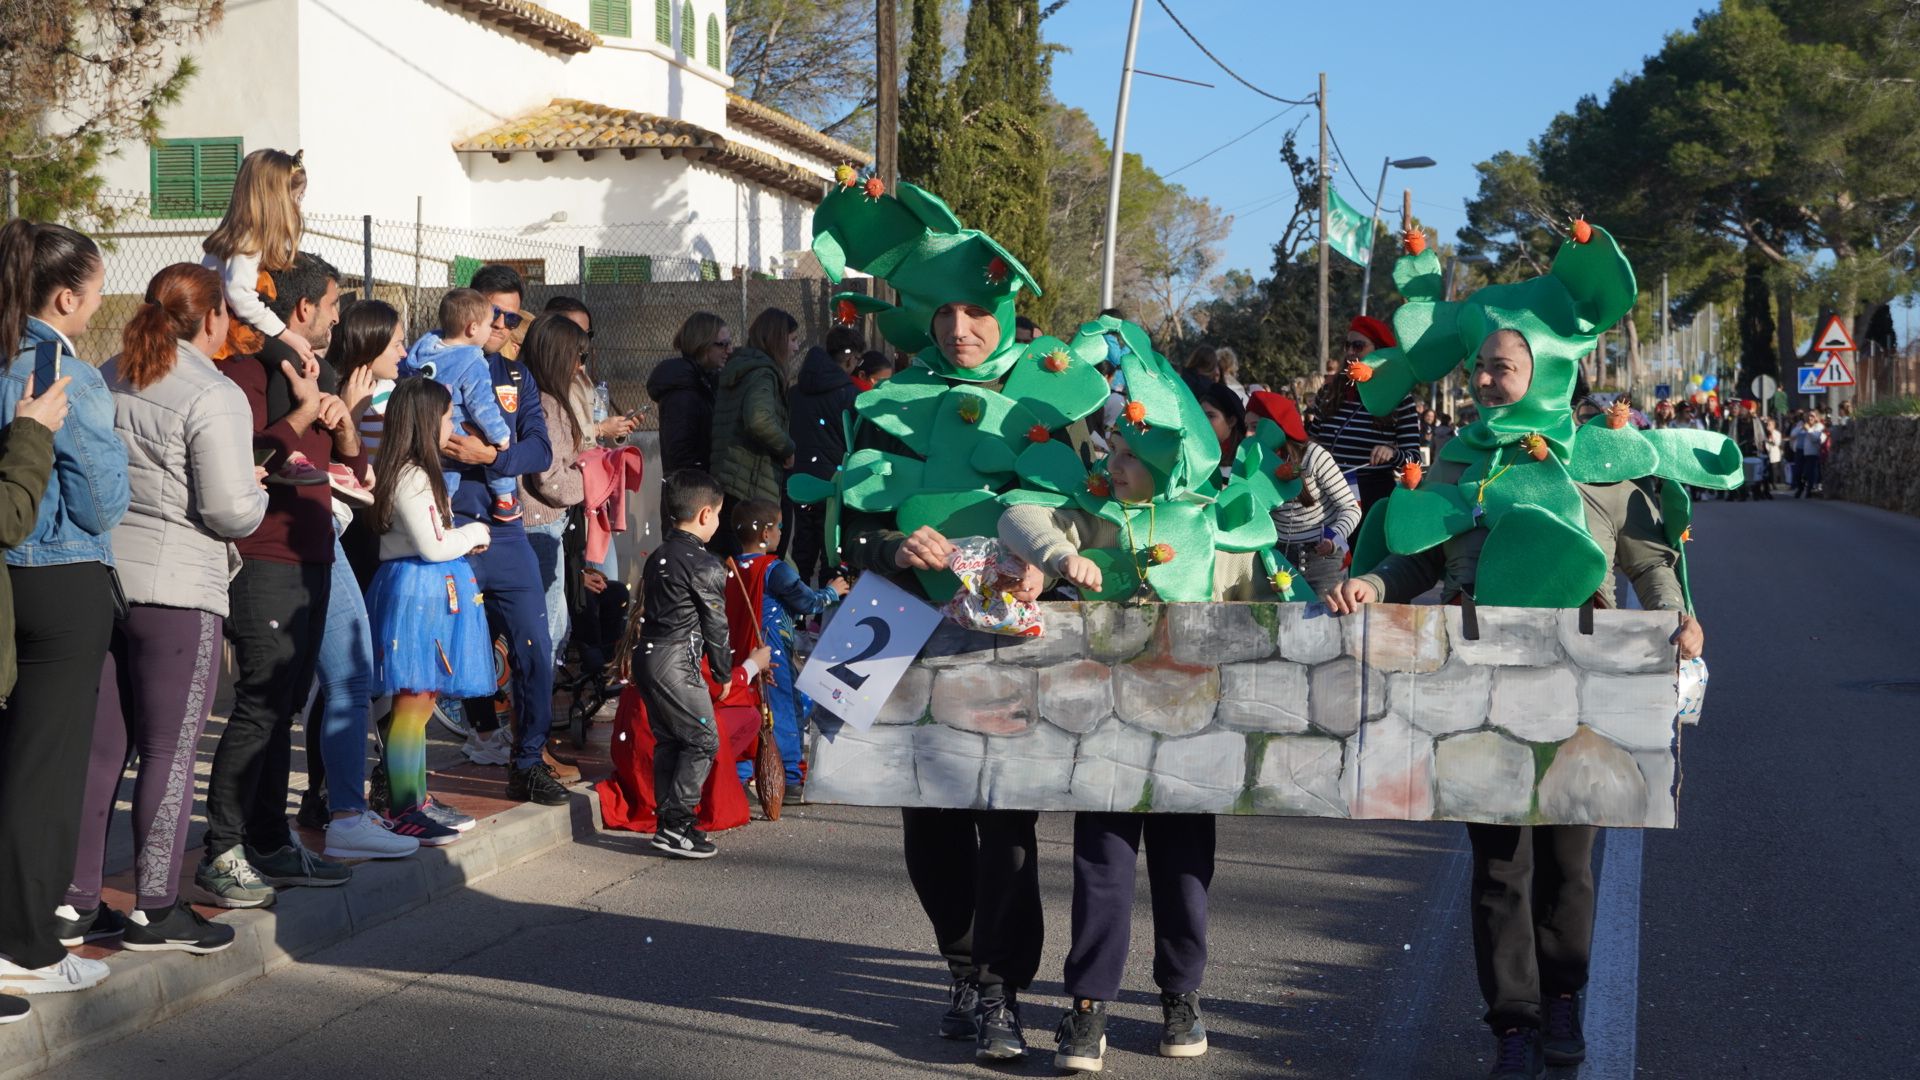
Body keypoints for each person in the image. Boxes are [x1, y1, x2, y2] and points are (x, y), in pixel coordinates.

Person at [59, 266, 267, 955]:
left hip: (103, 575)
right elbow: (229, 508)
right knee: (171, 753)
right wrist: (260, 490)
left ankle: (75, 900)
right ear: (210, 319)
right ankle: (155, 906)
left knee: (99, 749)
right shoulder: (215, 391)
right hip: (178, 589)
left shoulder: (107, 372)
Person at [199, 251, 359, 908]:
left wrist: (345, 426)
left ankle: (267, 841)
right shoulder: (245, 374)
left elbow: (346, 463)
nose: (338, 315)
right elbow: (253, 458)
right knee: (260, 703)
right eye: (333, 303)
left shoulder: (311, 370)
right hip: (264, 557)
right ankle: (221, 850)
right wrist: (299, 411)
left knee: (286, 704)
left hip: (314, 553)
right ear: (301, 310)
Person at [0, 219, 131, 997]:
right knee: (47, 770)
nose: (99, 305)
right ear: (65, 294)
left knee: (18, 758)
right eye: (96, 292)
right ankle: (28, 944)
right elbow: (100, 501)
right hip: (63, 576)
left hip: (10, 581)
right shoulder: (64, 375)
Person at [444, 264, 571, 804]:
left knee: (535, 650)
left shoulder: (518, 376)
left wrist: (491, 455)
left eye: (512, 316)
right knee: (439, 653)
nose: (501, 323)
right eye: (494, 312)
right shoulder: (432, 366)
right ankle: (396, 780)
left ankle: (527, 762)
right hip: (450, 532)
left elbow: (539, 451)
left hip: (509, 534)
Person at [364, 377, 497, 847]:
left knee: (420, 703)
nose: (454, 424)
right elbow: (434, 545)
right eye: (446, 417)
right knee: (413, 705)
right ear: (425, 421)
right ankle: (404, 809)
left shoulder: (413, 471)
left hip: (423, 591)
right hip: (417, 593)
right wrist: (475, 532)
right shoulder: (411, 475)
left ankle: (415, 800)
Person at [637, 469, 733, 859]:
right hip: (675, 660)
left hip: (647, 656)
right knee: (703, 739)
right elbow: (717, 623)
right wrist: (724, 673)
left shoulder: (659, 555)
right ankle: (677, 825)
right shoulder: (704, 563)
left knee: (672, 740)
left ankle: (669, 825)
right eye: (719, 515)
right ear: (706, 514)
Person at [726, 499, 846, 789]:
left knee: (750, 709)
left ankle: (739, 775)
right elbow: (807, 601)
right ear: (766, 534)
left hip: (743, 651)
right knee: (784, 710)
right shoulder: (774, 568)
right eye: (779, 526)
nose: (782, 532)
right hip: (772, 652)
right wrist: (832, 591)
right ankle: (789, 776)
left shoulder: (730, 566)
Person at [200, 148, 317, 378]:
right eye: (297, 198)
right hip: (228, 329)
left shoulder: (247, 237)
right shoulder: (248, 240)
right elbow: (239, 295)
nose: (299, 207)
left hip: (234, 323)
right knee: (290, 361)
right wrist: (286, 335)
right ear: (275, 200)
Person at [403, 289, 517, 521]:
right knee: (493, 450)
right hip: (457, 430)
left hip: (423, 427)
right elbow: (482, 404)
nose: (492, 328)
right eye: (488, 324)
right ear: (473, 328)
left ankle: (438, 513)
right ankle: (505, 500)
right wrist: (500, 436)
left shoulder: (425, 349)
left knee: (439, 481)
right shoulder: (472, 360)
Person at [520, 315, 595, 666]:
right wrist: (591, 482)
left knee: (554, 626)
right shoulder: (546, 403)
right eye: (577, 357)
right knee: (548, 633)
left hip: (542, 523)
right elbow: (548, 477)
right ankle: (535, 718)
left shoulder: (540, 395)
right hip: (538, 523)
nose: (580, 367)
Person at [1249, 391, 1361, 600]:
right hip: (1278, 560)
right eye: (1247, 428)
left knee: (1323, 626)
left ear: (1276, 426)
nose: (1249, 435)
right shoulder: (1254, 461)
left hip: (1323, 562)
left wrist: (1333, 537)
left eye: (1255, 427)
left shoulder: (1314, 456)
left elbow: (1351, 508)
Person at [710, 307, 798, 556]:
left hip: (732, 479)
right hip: (751, 482)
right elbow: (759, 420)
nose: (795, 347)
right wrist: (787, 448)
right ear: (777, 339)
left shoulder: (742, 368)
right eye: (792, 340)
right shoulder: (763, 374)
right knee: (762, 561)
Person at [1313, 314, 1422, 512]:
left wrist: (1392, 454)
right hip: (1327, 491)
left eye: (1358, 346)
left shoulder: (1399, 398)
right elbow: (1312, 437)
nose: (1349, 352)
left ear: (1379, 352)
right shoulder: (1328, 392)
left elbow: (1414, 459)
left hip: (1372, 494)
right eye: (1347, 345)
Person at [788, 324, 865, 585]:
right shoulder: (850, 395)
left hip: (799, 478)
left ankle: (795, 613)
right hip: (834, 481)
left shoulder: (794, 393)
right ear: (850, 357)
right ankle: (825, 617)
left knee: (802, 547)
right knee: (831, 550)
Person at [648, 311, 727, 476]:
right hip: (691, 489)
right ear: (703, 344)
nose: (729, 350)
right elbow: (680, 453)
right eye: (723, 344)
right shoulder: (683, 389)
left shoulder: (704, 381)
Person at [1791, 409, 1826, 497]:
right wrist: (1802, 428)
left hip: (1812, 453)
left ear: (1817, 418)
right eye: (1809, 416)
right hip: (1802, 452)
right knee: (1797, 472)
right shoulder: (1803, 425)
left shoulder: (1819, 427)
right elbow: (1793, 434)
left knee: (1809, 473)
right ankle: (1800, 488)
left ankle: (1809, 490)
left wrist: (1809, 429)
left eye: (1812, 416)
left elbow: (1815, 439)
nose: (1810, 418)